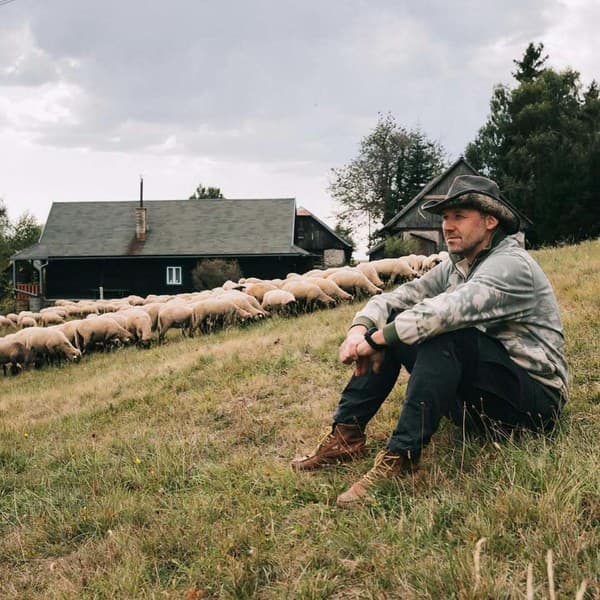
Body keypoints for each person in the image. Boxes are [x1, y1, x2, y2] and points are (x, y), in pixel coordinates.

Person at [291, 175, 568, 508]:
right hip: (482, 403)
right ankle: (347, 436)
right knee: (399, 326)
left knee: (439, 332)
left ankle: (403, 457)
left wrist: (378, 338)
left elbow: (445, 313)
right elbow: (400, 297)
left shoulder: (510, 265)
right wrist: (360, 328)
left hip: (533, 405)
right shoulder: (457, 265)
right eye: (445, 218)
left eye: (459, 216)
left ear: (490, 220)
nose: (447, 226)